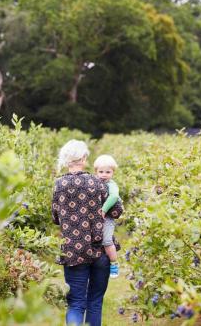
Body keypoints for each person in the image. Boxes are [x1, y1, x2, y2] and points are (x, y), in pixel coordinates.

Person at [52, 139, 122, 326]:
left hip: (73, 251)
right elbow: (116, 211)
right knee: (95, 302)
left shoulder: (59, 185)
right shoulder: (96, 182)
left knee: (75, 303)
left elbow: (56, 217)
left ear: (67, 160)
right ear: (83, 158)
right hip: (100, 249)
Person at [94, 154, 120, 278]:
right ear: (96, 172)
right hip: (95, 217)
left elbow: (114, 197)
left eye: (108, 172)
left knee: (107, 241)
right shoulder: (93, 182)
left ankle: (114, 264)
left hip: (107, 217)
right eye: (101, 171)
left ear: (113, 173)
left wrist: (104, 210)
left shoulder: (112, 185)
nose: (104, 175)